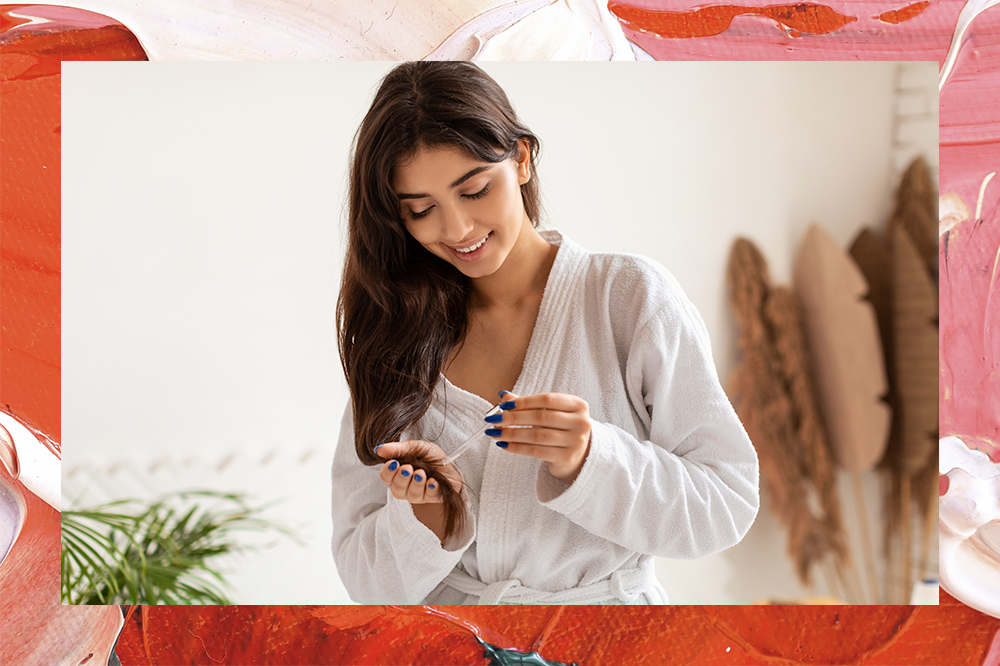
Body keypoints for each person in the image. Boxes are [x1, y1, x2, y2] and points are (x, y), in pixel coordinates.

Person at [331, 61, 759, 605]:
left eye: (476, 190)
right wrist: (428, 519)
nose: (457, 229)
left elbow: (726, 504)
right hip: (456, 638)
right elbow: (364, 584)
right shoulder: (396, 333)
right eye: (422, 210)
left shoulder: (627, 297)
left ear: (522, 159)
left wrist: (591, 459)